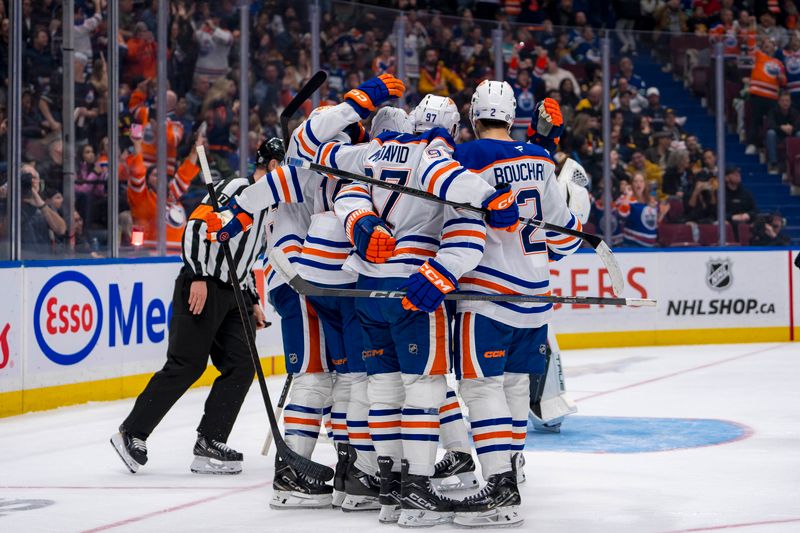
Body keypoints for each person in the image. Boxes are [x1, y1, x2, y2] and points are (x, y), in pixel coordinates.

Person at [323, 94, 520, 527]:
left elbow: (349, 191)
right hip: (414, 286)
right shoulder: (436, 153)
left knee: (384, 389)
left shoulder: (377, 151)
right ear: (452, 128)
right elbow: (451, 190)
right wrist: (493, 198)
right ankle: (417, 489)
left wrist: (360, 223)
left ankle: (389, 489)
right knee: (424, 390)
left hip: (368, 286)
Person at [442, 85, 586, 528]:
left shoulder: (463, 157)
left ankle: (500, 489)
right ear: (512, 115)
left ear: (472, 114)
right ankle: (513, 468)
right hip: (534, 297)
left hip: (485, 294)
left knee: (481, 390)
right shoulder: (543, 160)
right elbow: (563, 239)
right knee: (516, 385)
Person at [109, 139, 279, 476]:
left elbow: (244, 260)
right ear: (273, 165)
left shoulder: (271, 207)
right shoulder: (238, 188)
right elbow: (196, 228)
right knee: (186, 364)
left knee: (242, 365)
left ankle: (210, 441)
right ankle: (131, 432)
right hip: (202, 285)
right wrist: (199, 274)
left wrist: (253, 299)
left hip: (235, 295)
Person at [765, 91, 800, 172]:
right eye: (783, 101)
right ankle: (773, 163)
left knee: (799, 134)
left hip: (791, 136)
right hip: (778, 136)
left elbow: (798, 125)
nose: (785, 103)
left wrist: (792, 128)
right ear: (779, 102)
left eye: (787, 100)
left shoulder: (795, 112)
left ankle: (797, 163)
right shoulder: (773, 111)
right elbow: (770, 124)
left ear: (790, 102)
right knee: (770, 133)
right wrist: (781, 127)